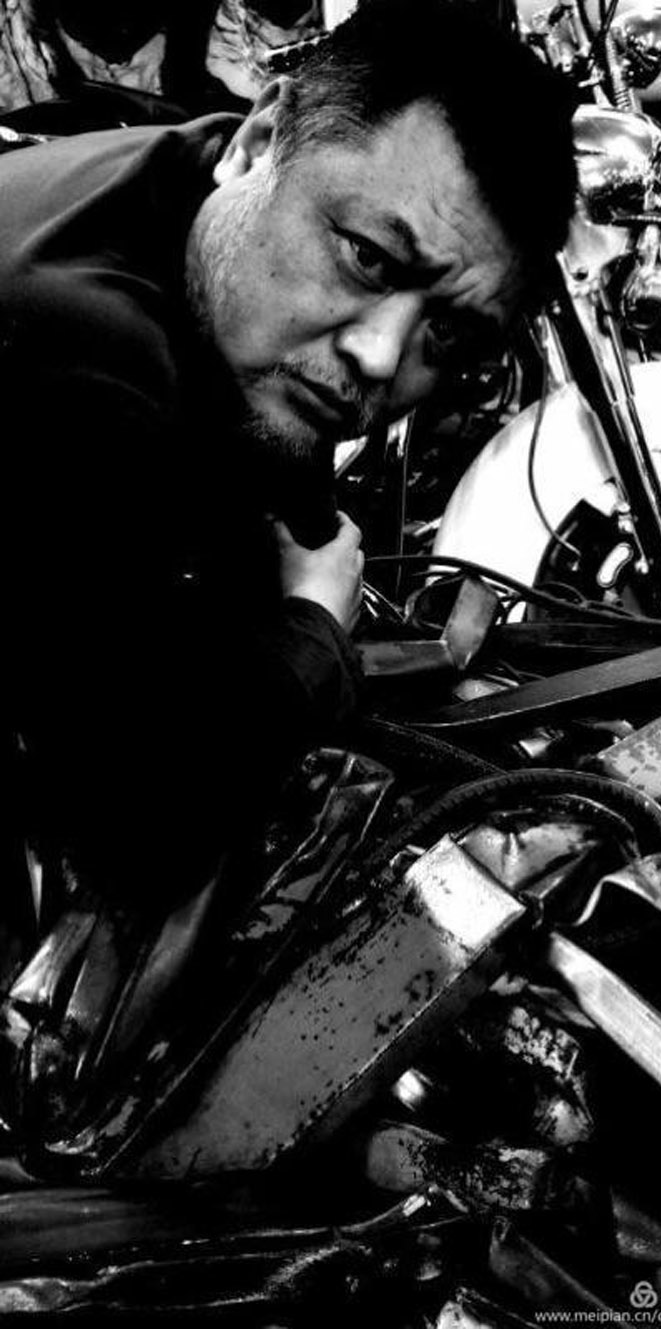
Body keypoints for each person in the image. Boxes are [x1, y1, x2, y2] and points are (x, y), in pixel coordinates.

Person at [1, 0, 576, 906]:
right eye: (370, 260)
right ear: (260, 137)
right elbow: (136, 832)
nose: (381, 355)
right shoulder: (84, 369)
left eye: (448, 335)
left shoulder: (203, 174)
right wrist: (312, 633)